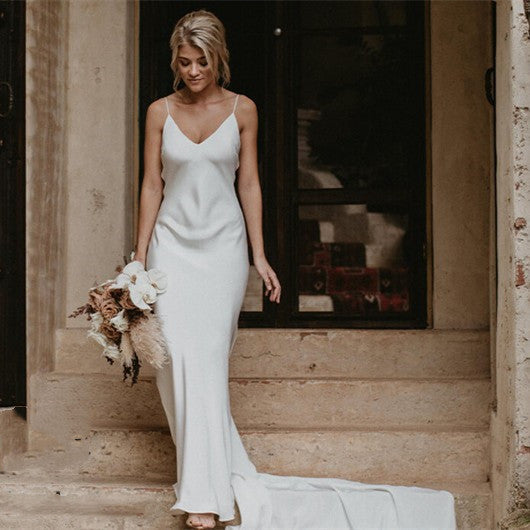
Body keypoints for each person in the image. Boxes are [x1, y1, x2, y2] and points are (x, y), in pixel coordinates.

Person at [134, 9, 456, 530]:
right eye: (184, 62)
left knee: (208, 364)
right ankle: (208, 475)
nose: (193, 72)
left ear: (219, 59)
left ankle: (203, 499)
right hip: (171, 250)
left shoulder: (244, 110)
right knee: (173, 365)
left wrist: (259, 256)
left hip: (221, 254)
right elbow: (151, 184)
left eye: (202, 62)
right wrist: (138, 256)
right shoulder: (158, 112)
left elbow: (250, 185)